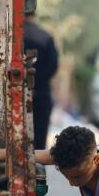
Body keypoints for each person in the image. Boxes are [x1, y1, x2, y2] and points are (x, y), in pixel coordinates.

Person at [23, 15, 59, 149]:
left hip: (14, 91)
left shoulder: (11, 37)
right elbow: (53, 66)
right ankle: (37, 166)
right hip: (41, 94)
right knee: (39, 138)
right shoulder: (45, 37)